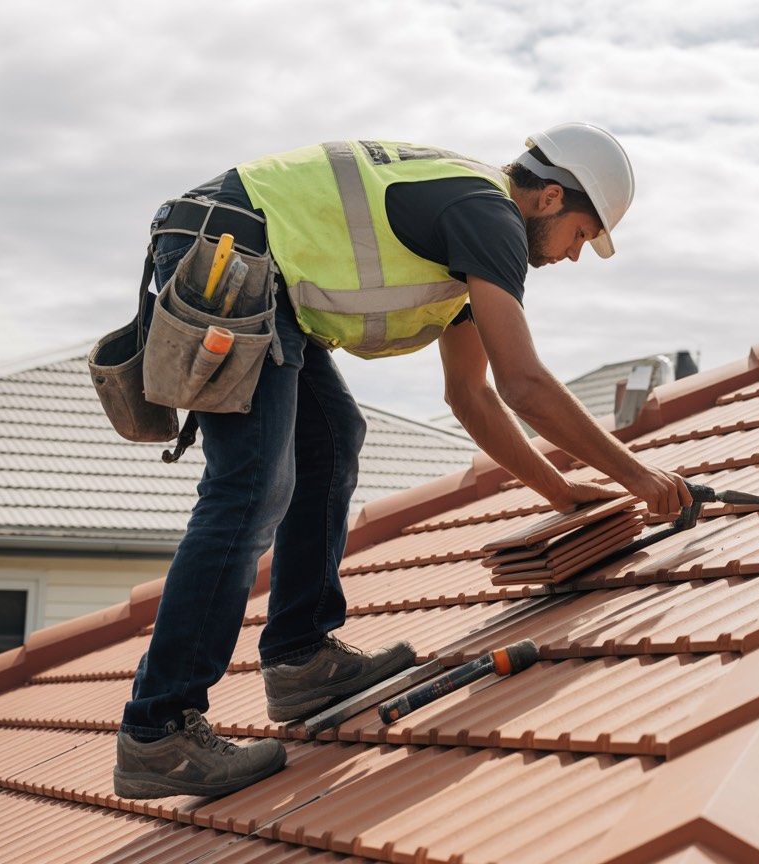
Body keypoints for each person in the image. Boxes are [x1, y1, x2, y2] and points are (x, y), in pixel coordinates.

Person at [114, 123, 693, 798]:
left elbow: (471, 395)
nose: (572, 257)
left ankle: (300, 659)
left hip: (257, 268)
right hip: (231, 251)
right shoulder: (488, 216)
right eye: (581, 236)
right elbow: (522, 383)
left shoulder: (469, 236)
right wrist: (639, 475)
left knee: (331, 439)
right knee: (250, 488)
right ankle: (158, 731)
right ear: (550, 198)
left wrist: (561, 491)